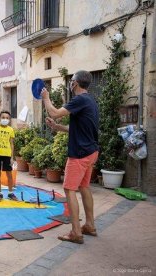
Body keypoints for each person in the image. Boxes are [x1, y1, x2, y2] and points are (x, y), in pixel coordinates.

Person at [41, 70, 99, 244]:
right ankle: (89, 225)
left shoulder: (79, 99)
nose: (70, 83)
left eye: (71, 80)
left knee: (69, 189)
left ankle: (76, 232)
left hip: (80, 154)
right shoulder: (90, 101)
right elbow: (81, 128)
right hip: (91, 152)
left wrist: (45, 97)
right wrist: (58, 127)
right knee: (84, 187)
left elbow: (54, 112)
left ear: (75, 83)